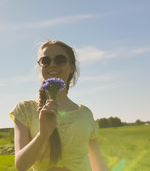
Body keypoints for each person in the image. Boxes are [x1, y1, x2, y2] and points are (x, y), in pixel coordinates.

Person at [9, 40, 108, 171]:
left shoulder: (85, 113)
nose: (52, 65)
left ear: (71, 67)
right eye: (45, 61)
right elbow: (21, 165)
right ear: (40, 66)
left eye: (60, 60)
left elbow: (99, 166)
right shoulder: (24, 110)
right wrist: (43, 134)